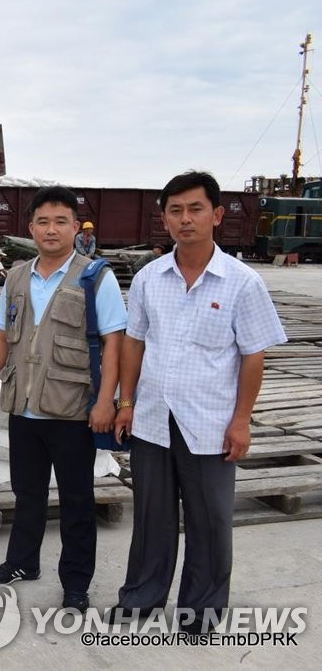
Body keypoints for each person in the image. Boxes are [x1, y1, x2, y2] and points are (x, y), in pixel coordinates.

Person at [112, 171, 286, 633]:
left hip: (209, 423)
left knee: (210, 522)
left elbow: (253, 356)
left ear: (217, 215)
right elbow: (134, 343)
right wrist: (125, 402)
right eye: (175, 210)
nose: (185, 219)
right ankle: (141, 597)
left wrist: (241, 421)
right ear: (164, 218)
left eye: (195, 209)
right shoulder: (150, 278)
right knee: (151, 517)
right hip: (152, 418)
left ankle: (200, 611)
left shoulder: (241, 283)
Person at [0, 186, 127, 611]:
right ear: (31, 228)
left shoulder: (96, 276)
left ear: (76, 229)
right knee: (27, 494)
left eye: (61, 221)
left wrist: (106, 402)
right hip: (24, 408)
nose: (51, 229)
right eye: (43, 221)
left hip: (73, 410)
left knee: (78, 501)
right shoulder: (18, 277)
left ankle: (76, 582)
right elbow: (3, 337)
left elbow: (114, 342)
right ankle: (23, 562)